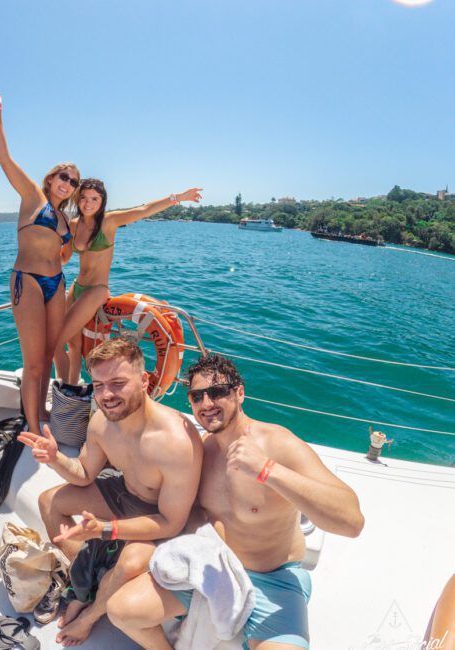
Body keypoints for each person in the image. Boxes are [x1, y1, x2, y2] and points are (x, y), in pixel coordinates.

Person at [107, 353, 365, 650]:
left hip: (274, 581)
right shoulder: (202, 451)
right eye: (197, 396)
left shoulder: (277, 443)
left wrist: (268, 470)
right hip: (215, 571)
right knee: (122, 611)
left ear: (239, 393)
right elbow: (180, 509)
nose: (206, 404)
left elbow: (352, 522)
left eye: (218, 392)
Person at [18, 337, 203, 645]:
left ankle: (91, 615)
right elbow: (84, 473)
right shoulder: (102, 422)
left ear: (144, 381)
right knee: (49, 501)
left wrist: (105, 530)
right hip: (124, 493)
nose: (106, 395)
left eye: (118, 383)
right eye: (99, 385)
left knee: (129, 565)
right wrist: (55, 459)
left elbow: (171, 522)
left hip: (160, 517)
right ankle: (92, 581)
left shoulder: (175, 442)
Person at [0, 86, 80, 437]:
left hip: (57, 284)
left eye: (74, 181)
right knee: (34, 364)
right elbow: (4, 158)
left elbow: (65, 255)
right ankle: (33, 429)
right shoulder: (32, 197)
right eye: (63, 176)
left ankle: (42, 416)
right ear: (51, 179)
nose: (68, 183)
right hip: (30, 282)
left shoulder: (67, 221)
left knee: (52, 353)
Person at [53, 180, 203, 385]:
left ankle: (65, 386)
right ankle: (70, 388)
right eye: (84, 198)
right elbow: (63, 258)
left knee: (56, 339)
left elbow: (143, 210)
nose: (88, 203)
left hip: (97, 290)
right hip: (76, 288)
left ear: (102, 201)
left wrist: (178, 197)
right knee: (73, 345)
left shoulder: (109, 221)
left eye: (94, 199)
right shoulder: (73, 224)